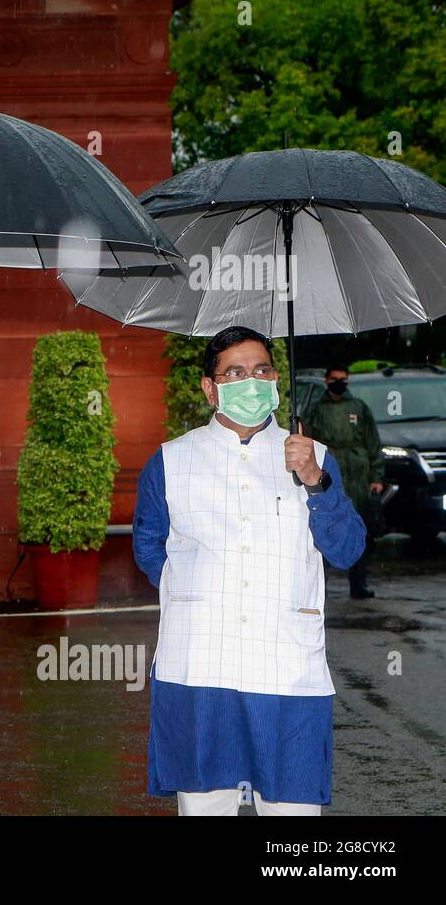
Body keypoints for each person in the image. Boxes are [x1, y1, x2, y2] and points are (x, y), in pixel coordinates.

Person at [132, 326, 366, 816]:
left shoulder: (313, 457)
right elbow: (149, 548)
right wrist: (196, 592)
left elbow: (347, 550)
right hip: (200, 666)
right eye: (234, 373)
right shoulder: (171, 461)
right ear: (210, 387)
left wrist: (315, 483)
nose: (251, 382)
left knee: (292, 810)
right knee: (205, 804)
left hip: (285, 667)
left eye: (261, 370)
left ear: (277, 379)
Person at [303, 366, 385, 598]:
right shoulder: (316, 409)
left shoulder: (359, 408)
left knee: (359, 529)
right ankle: (322, 588)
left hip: (358, 476)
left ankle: (358, 584)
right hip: (329, 472)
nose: (339, 382)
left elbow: (373, 444)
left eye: (343, 379)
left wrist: (376, 477)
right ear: (326, 381)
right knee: (326, 526)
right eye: (334, 379)